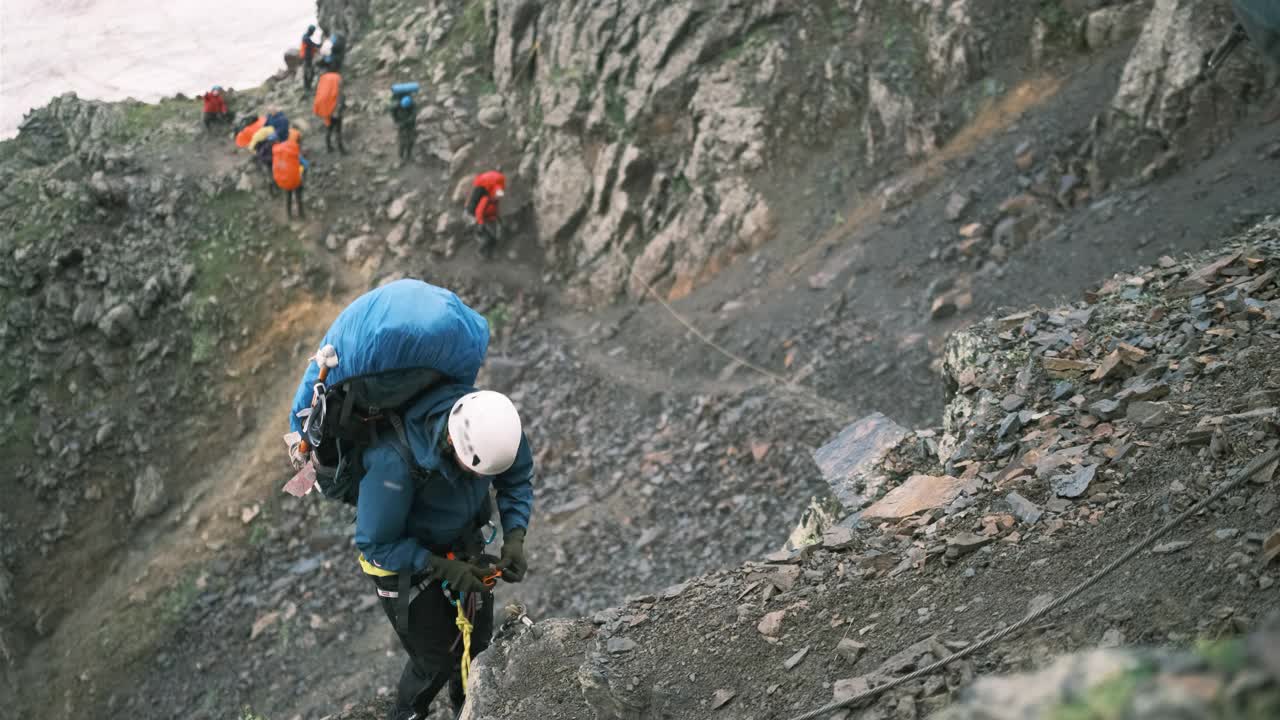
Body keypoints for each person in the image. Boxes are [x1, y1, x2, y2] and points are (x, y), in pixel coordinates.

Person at [356, 387, 533, 720]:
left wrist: (515, 536)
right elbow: (375, 544)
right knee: (435, 658)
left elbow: (516, 477)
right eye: (479, 474)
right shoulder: (393, 464)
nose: (484, 481)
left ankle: (469, 709)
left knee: (478, 644)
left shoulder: (495, 428)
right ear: (452, 445)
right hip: (400, 562)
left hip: (462, 542)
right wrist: (439, 567)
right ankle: (407, 714)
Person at [467, 171, 506, 258]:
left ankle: (489, 253)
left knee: (495, 238)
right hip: (482, 220)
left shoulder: (495, 202)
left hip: (490, 220)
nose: (498, 197)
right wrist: (481, 224)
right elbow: (479, 212)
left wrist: (498, 219)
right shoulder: (486, 199)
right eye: (497, 195)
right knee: (488, 237)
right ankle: (480, 252)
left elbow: (496, 212)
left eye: (499, 196)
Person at [273, 131, 308, 219]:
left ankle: (289, 215)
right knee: (298, 197)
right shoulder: (294, 152)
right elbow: (306, 164)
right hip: (296, 180)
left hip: (284, 180)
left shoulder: (277, 153)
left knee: (288, 198)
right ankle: (301, 214)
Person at [313, 71, 347, 154]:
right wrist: (342, 107)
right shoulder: (337, 87)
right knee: (338, 130)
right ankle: (341, 149)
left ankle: (328, 147)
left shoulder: (323, 88)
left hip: (326, 110)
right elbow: (341, 99)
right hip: (335, 110)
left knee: (329, 128)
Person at [391, 95, 417, 164]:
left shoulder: (413, 106)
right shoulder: (397, 106)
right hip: (402, 125)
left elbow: (413, 117)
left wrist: (404, 123)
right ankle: (401, 157)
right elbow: (393, 113)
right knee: (402, 142)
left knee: (411, 141)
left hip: (410, 126)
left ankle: (409, 154)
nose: (404, 108)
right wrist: (396, 121)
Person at [301, 25, 322, 89]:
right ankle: (307, 86)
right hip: (307, 58)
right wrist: (320, 45)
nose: (313, 33)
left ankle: (307, 86)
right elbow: (313, 45)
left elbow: (312, 46)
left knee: (308, 71)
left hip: (306, 57)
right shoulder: (306, 38)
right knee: (309, 71)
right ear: (311, 31)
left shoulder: (306, 37)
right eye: (313, 31)